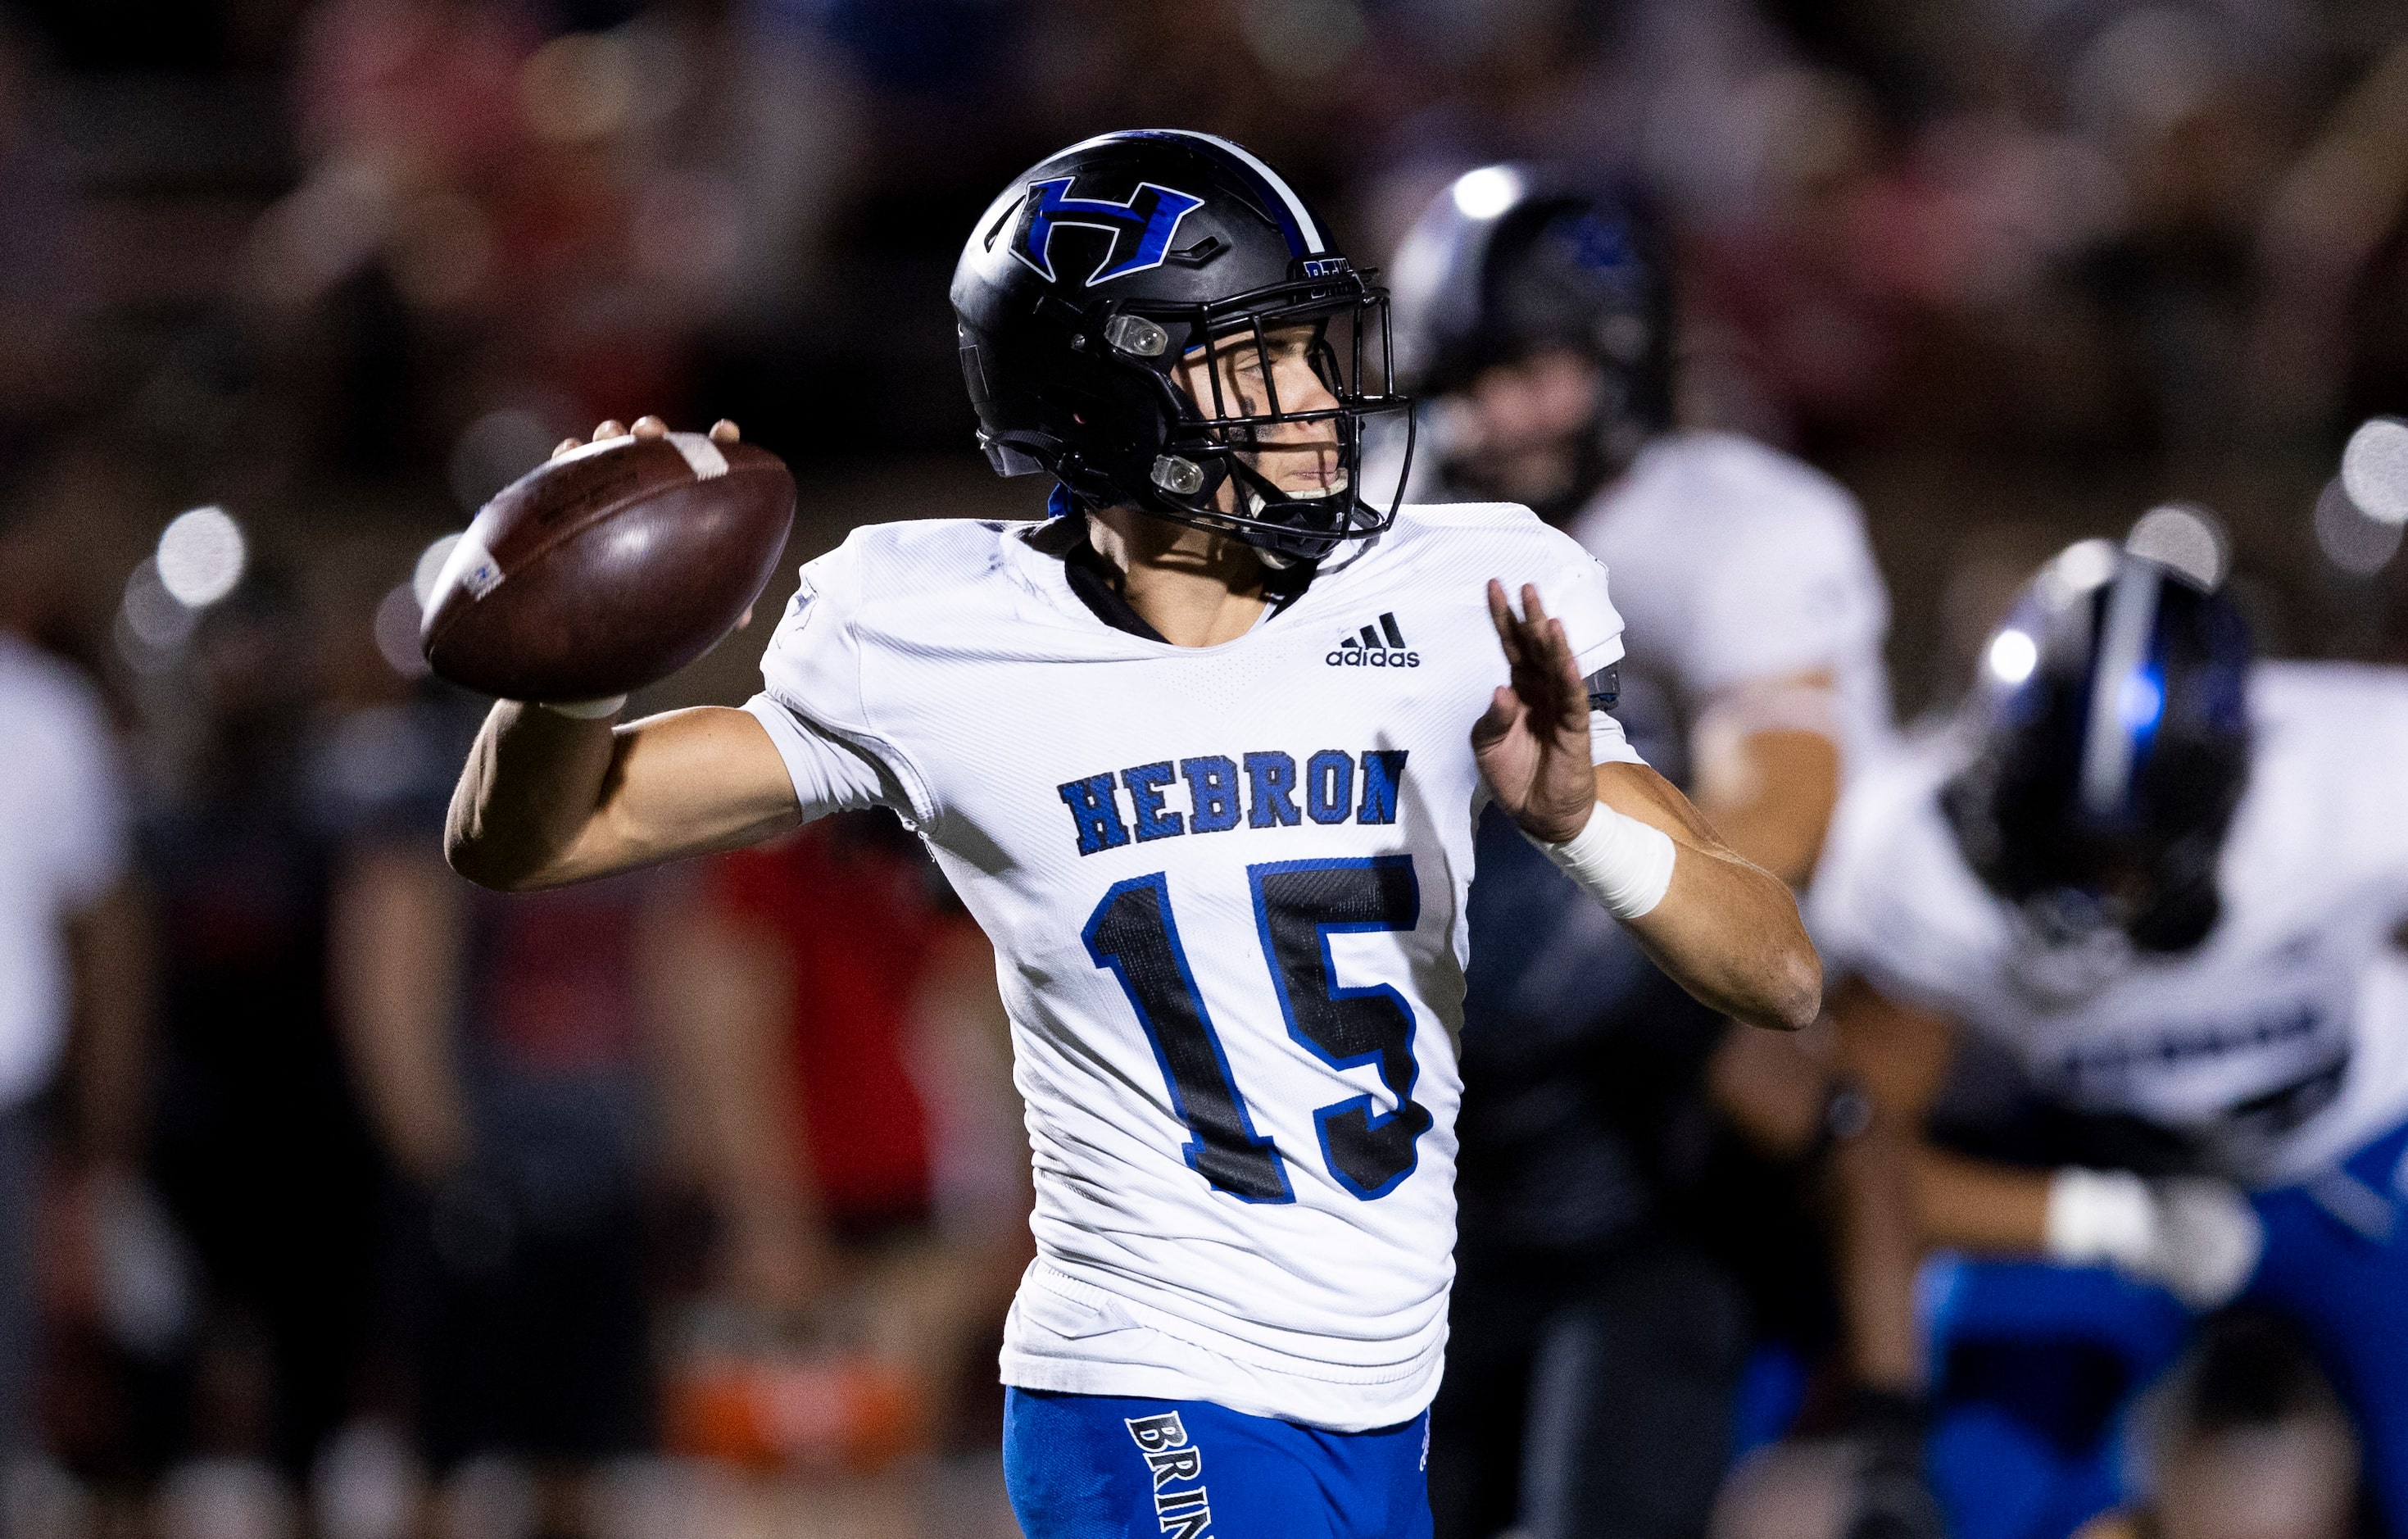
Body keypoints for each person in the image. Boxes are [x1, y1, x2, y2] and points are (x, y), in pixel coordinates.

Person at [440, 129, 1819, 1538]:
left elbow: (1775, 971)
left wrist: (1581, 823)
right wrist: (571, 660)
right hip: (1139, 1384)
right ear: (1102, 401)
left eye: (1310, 348)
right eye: (1253, 361)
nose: (1314, 400)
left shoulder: (1460, 594)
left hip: (1380, 1394)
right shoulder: (934, 636)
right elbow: (529, 841)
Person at [1385, 166, 1912, 1539]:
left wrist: (1600, 888)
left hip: (1661, 1102)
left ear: (1619, 356)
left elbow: (1766, 841)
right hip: (1439, 1115)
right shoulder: (1397, 523)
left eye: (1528, 371)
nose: (1488, 415)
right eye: (1463, 376)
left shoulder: (1740, 525)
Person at [1811, 519, 2408, 1537]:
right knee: (1973, 1500)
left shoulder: (2359, 778)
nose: (2085, 899)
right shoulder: (1919, 860)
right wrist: (2104, 1223)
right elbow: (1861, 1161)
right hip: (2101, 1168)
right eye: (2057, 845)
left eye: (2121, 862)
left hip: (2352, 1148)